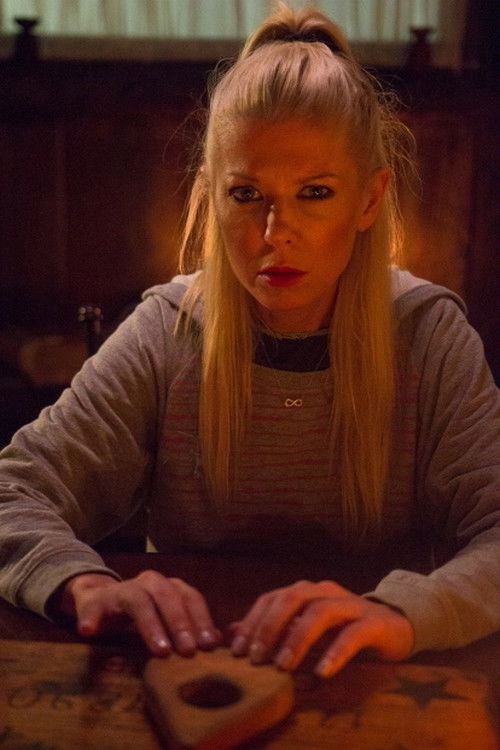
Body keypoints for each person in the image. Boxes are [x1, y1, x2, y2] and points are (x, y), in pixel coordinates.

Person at [0, 3, 498, 680]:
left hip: (365, 679)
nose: (273, 233)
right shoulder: (169, 330)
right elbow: (14, 491)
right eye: (245, 194)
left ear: (369, 200)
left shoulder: (428, 335)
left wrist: (406, 613)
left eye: (314, 192)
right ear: (212, 195)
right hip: (193, 670)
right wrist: (82, 586)